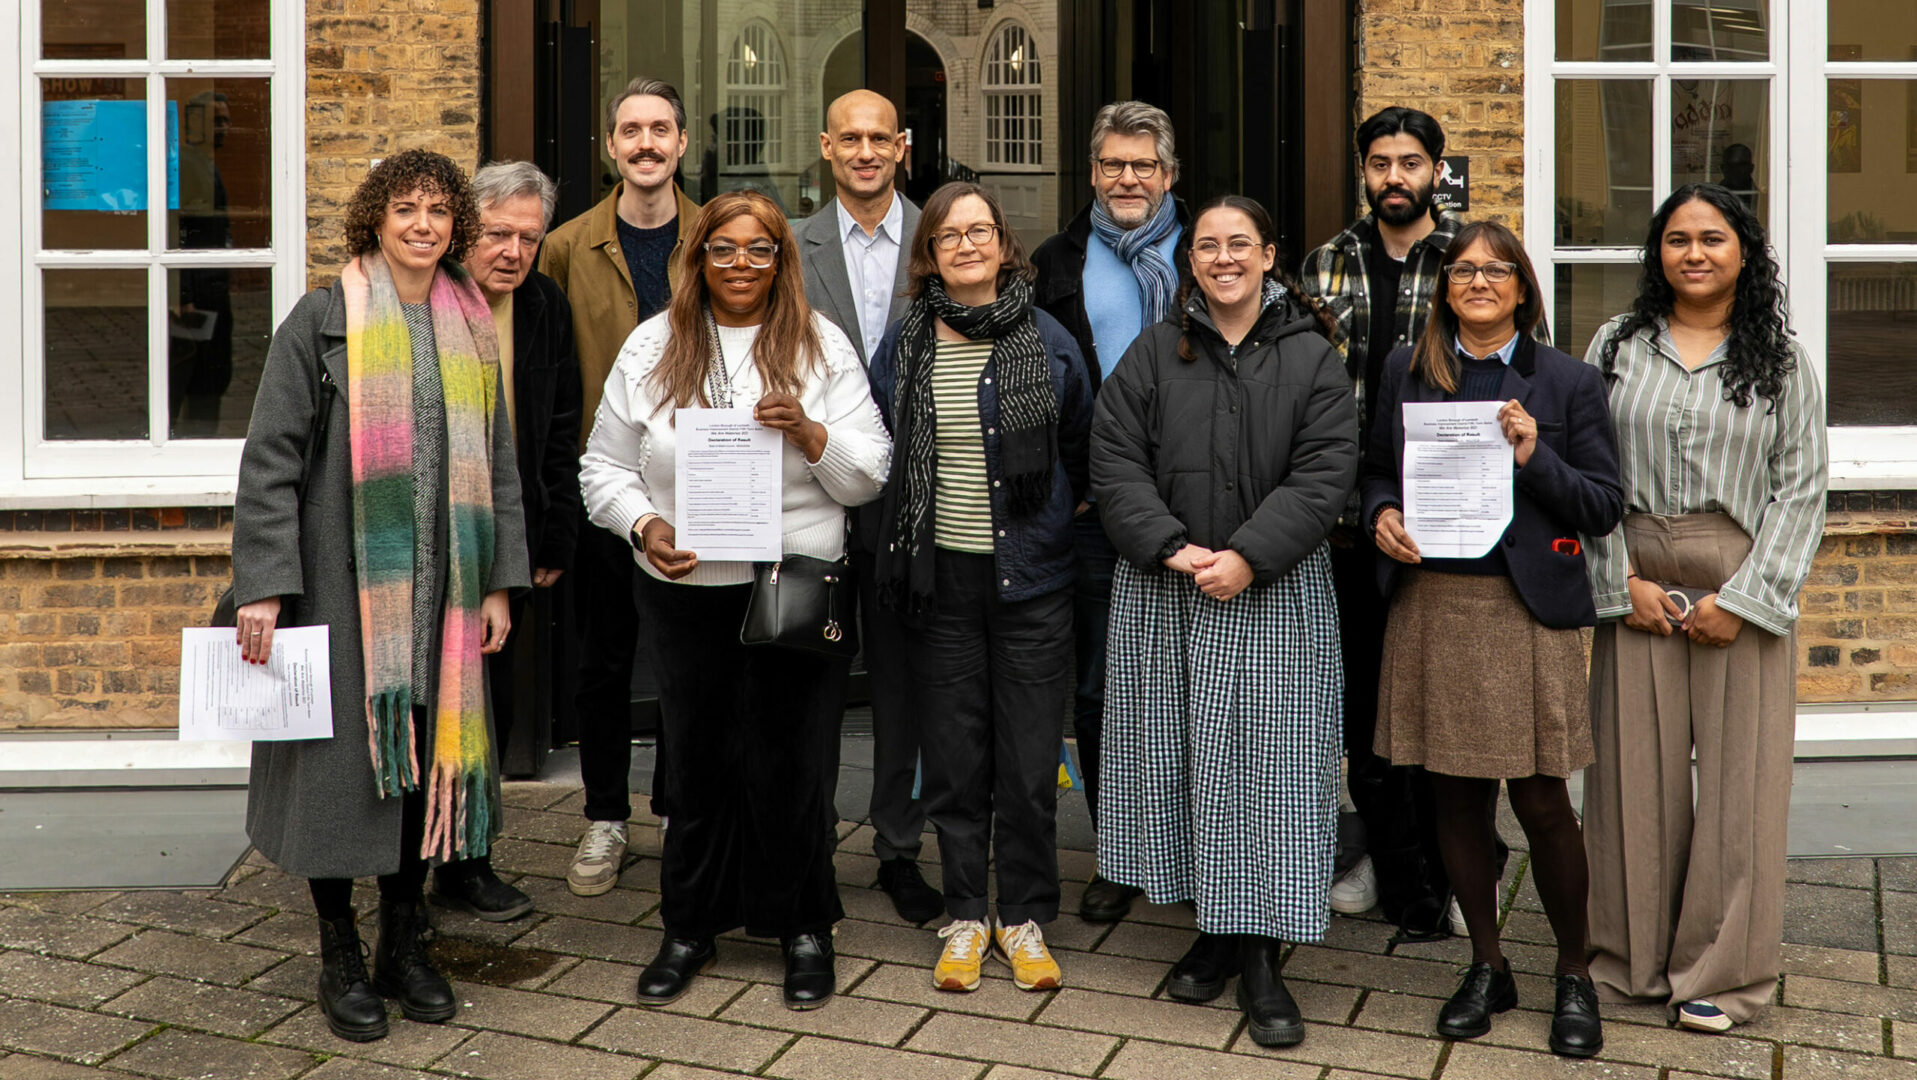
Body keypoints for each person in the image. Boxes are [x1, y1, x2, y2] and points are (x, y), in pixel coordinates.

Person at [230, 149, 528, 1042]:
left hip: (444, 594)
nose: (425, 226)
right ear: (376, 218)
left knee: (419, 765)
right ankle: (340, 952)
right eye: (407, 209)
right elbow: (270, 461)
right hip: (340, 589)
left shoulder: (472, 324)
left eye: (440, 211)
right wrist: (265, 585)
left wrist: (500, 584)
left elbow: (500, 467)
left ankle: (406, 943)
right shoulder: (322, 320)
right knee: (343, 777)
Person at [580, 191, 891, 1011]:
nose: (741, 265)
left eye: (760, 250)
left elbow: (871, 472)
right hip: (687, 590)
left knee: (794, 761)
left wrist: (812, 435)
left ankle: (802, 928)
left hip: (793, 584)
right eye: (724, 249)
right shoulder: (653, 345)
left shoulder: (819, 346)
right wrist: (642, 523)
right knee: (696, 760)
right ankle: (688, 925)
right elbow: (601, 467)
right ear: (699, 258)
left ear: (782, 260)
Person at [1091, 195, 1356, 1047]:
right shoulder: (1153, 350)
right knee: (1191, 764)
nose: (1223, 257)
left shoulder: (1312, 356)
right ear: (1190, 261)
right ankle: (1215, 928)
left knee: (1269, 776)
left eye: (1239, 243)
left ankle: (1258, 960)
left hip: (1271, 592)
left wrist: (1246, 556)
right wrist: (1169, 546)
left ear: (1269, 255)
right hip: (1171, 589)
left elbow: (1324, 474)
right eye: (1206, 245)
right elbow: (1114, 454)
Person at [1362, 221, 1623, 1057]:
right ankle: (1486, 962)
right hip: (1434, 604)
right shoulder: (1405, 371)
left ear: (1521, 286)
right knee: (1453, 796)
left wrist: (1533, 455)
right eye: (1462, 270)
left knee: (1542, 799)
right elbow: (1372, 470)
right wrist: (1380, 515)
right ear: (1444, 287)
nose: (1477, 281)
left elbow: (1602, 504)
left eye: (1495, 269)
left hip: (1527, 614)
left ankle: (1573, 973)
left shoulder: (1569, 381)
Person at [1582, 183, 1827, 1034]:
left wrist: (1750, 601)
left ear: (1743, 253)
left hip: (1738, 576)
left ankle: (1721, 976)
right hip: (1636, 573)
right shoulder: (1616, 345)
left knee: (1739, 790)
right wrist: (1617, 586)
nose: (1693, 252)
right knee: (1628, 783)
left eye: (1712, 238)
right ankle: (1628, 962)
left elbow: (1801, 492)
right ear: (1657, 253)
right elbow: (1589, 473)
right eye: (1677, 238)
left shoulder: (1783, 360)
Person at [867, 182, 1093, 994]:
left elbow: (1080, 445)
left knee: (1029, 767)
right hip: (941, 585)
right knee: (956, 766)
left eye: (980, 232)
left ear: (1004, 246)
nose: (965, 246)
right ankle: (966, 913)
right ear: (927, 255)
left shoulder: (1050, 341)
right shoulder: (903, 346)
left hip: (1032, 583)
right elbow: (881, 447)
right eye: (947, 236)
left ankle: (1024, 918)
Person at [1301, 106, 1469, 937]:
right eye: (1378, 163)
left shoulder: (1471, 261)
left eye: (1409, 162)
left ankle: (1443, 870)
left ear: (1435, 169)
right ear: (1362, 172)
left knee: (1436, 712)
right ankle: (1394, 872)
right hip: (1342, 521)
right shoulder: (1325, 262)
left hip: (1446, 526)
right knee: (1364, 707)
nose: (1393, 177)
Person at [540, 76, 700, 898]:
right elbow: (551, 377)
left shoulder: (716, 237)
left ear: (682, 143)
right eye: (630, 130)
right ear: (610, 147)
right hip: (605, 488)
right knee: (603, 664)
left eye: (660, 129)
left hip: (698, 484)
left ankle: (678, 809)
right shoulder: (566, 247)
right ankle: (605, 816)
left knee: (686, 658)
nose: (646, 143)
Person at [1031, 100, 1189, 924]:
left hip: (1202, 508)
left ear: (1168, 175)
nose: (1127, 179)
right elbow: (1036, 384)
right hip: (1096, 508)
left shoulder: (1213, 251)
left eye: (1144, 165)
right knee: (1100, 689)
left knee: (1199, 685)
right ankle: (1118, 851)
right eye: (1112, 165)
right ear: (1092, 172)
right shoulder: (1056, 260)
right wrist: (1073, 477)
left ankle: (1203, 843)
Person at [795, 89, 937, 924]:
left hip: (913, 504)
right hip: (812, 490)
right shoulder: (789, 241)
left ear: (902, 146)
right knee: (808, 676)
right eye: (848, 137)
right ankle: (805, 838)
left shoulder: (941, 234)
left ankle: (897, 848)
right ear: (825, 146)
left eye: (878, 138)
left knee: (901, 687)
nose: (863, 151)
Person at [431, 161, 584, 922]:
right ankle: (413, 860)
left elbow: (561, 423)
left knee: (490, 707)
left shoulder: (545, 305)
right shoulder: (426, 299)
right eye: (498, 234)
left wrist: (554, 532)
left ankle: (467, 861)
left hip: (509, 537)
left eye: (529, 237)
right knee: (435, 704)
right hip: (429, 537)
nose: (514, 252)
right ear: (466, 229)